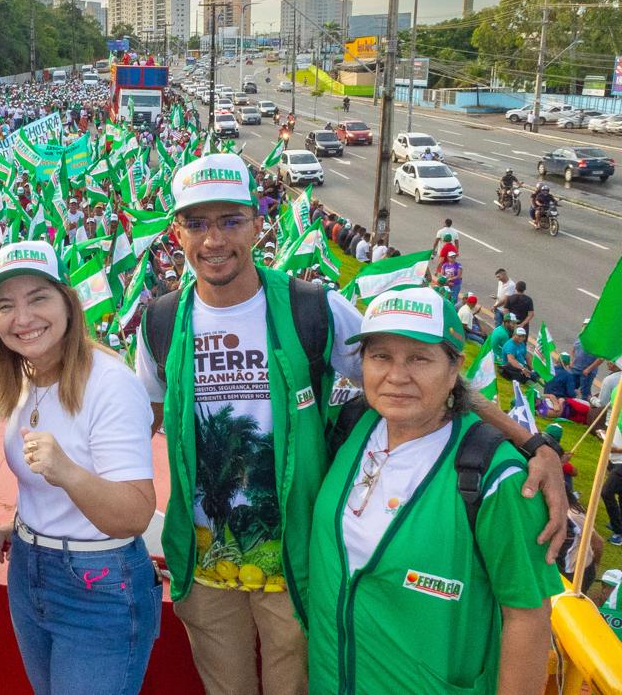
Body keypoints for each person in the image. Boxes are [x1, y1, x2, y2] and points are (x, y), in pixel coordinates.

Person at [135, 153, 566, 695]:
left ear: (258, 222)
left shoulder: (312, 307)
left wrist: (532, 443)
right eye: (197, 223)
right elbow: (137, 426)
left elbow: (412, 370)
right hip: (205, 562)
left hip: (298, 563)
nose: (213, 240)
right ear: (177, 232)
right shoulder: (161, 322)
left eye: (230, 220)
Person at [308, 287, 560, 694]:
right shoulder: (349, 425)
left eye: (419, 358)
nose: (396, 375)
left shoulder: (498, 479)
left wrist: (538, 448)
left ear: (454, 368)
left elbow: (528, 617)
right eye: (381, 356)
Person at [0, 240, 159, 695]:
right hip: (29, 570)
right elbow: (43, 488)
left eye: (38, 298)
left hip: (98, 585)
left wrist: (69, 472)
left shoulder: (110, 384)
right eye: (5, 305)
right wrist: (21, 526)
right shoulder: (21, 378)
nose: (23, 318)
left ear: (68, 304)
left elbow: (135, 515)